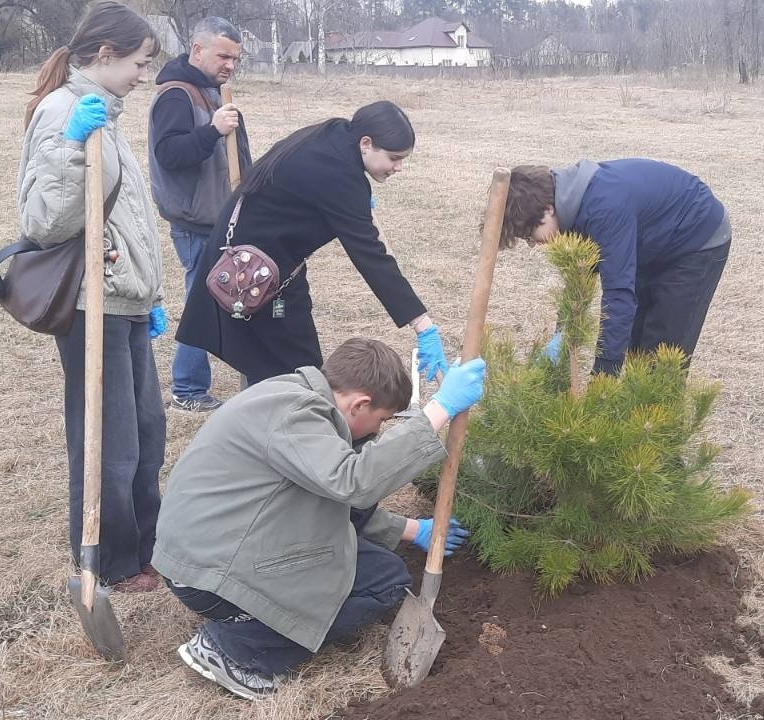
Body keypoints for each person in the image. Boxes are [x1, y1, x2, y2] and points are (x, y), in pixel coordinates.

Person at [152, 337, 485, 699]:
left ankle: (248, 618)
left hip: (213, 553)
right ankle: (236, 649)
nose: (377, 433)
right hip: (210, 577)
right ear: (360, 404)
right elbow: (353, 482)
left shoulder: (291, 396)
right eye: (382, 421)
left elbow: (327, 502)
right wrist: (441, 409)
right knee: (378, 584)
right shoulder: (295, 415)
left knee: (380, 571)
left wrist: (411, 529)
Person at [18, 1, 166, 593]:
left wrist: (146, 288)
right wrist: (71, 147)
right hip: (89, 304)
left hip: (123, 296)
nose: (143, 74)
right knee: (111, 441)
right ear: (105, 55)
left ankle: (148, 545)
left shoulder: (106, 110)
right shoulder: (64, 113)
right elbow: (46, 219)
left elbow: (122, 212)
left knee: (148, 430)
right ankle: (109, 562)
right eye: (138, 61)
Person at [176, 101, 450, 385]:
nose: (399, 167)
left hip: (273, 265)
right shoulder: (340, 174)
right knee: (294, 371)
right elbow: (371, 258)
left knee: (279, 359)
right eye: (394, 158)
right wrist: (422, 325)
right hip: (250, 271)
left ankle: (265, 412)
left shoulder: (335, 135)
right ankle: (272, 419)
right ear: (366, 143)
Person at [498, 159, 731, 376]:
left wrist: (604, 375)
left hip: (696, 237)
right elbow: (580, 281)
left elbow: (618, 294)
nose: (533, 244)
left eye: (530, 234)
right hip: (652, 239)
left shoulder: (603, 209)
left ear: (547, 209)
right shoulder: (569, 208)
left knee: (662, 355)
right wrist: (563, 334)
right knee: (636, 346)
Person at [148, 16, 252, 412]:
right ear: (197, 50)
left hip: (221, 216)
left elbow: (235, 159)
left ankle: (199, 385)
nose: (230, 65)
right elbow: (170, 156)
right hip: (195, 223)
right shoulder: (177, 95)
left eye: (235, 59)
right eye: (223, 55)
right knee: (202, 302)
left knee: (220, 297)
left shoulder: (212, 92)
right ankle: (188, 390)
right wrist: (212, 130)